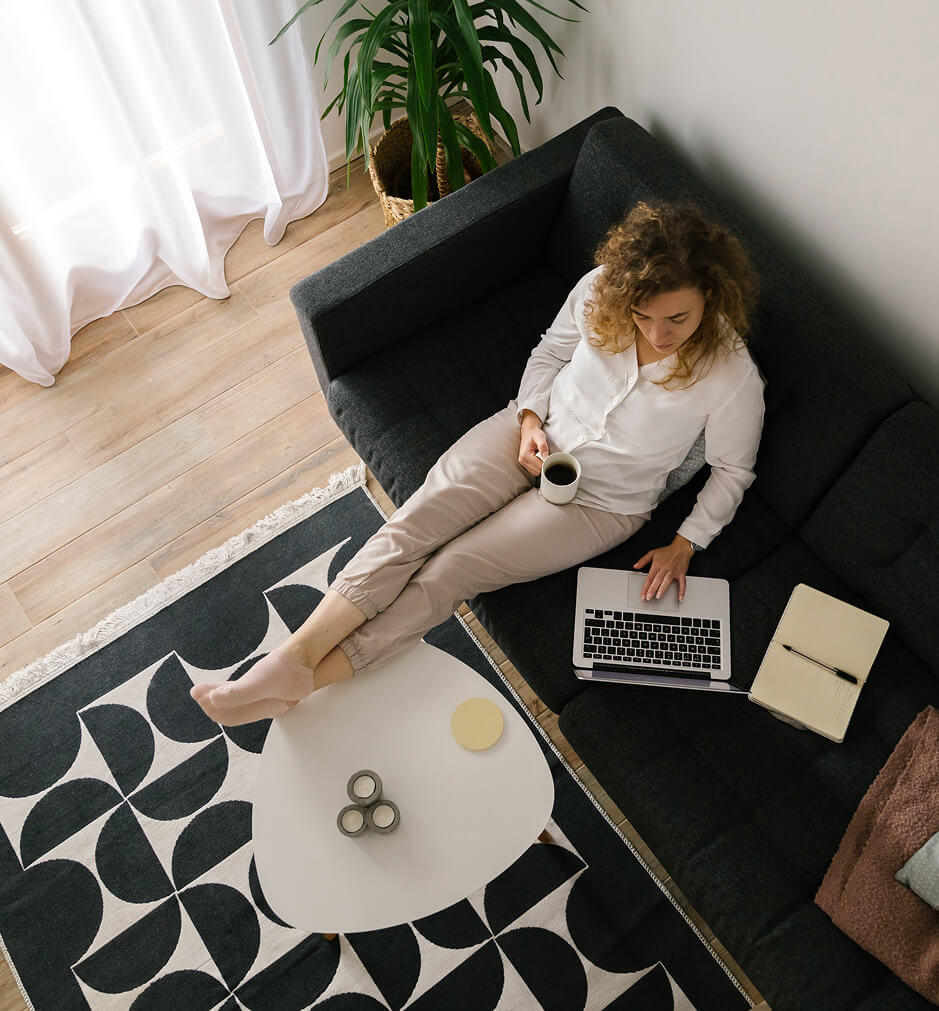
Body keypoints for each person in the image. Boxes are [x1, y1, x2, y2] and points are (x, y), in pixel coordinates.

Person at [191, 201, 765, 727]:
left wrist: (687, 541)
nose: (657, 334)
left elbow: (733, 471)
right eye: (643, 317)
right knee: (416, 524)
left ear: (712, 297)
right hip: (531, 430)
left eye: (678, 319)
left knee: (453, 569)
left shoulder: (730, 373)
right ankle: (293, 658)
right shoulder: (600, 290)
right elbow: (550, 352)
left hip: (602, 503)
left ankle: (309, 683)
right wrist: (531, 421)